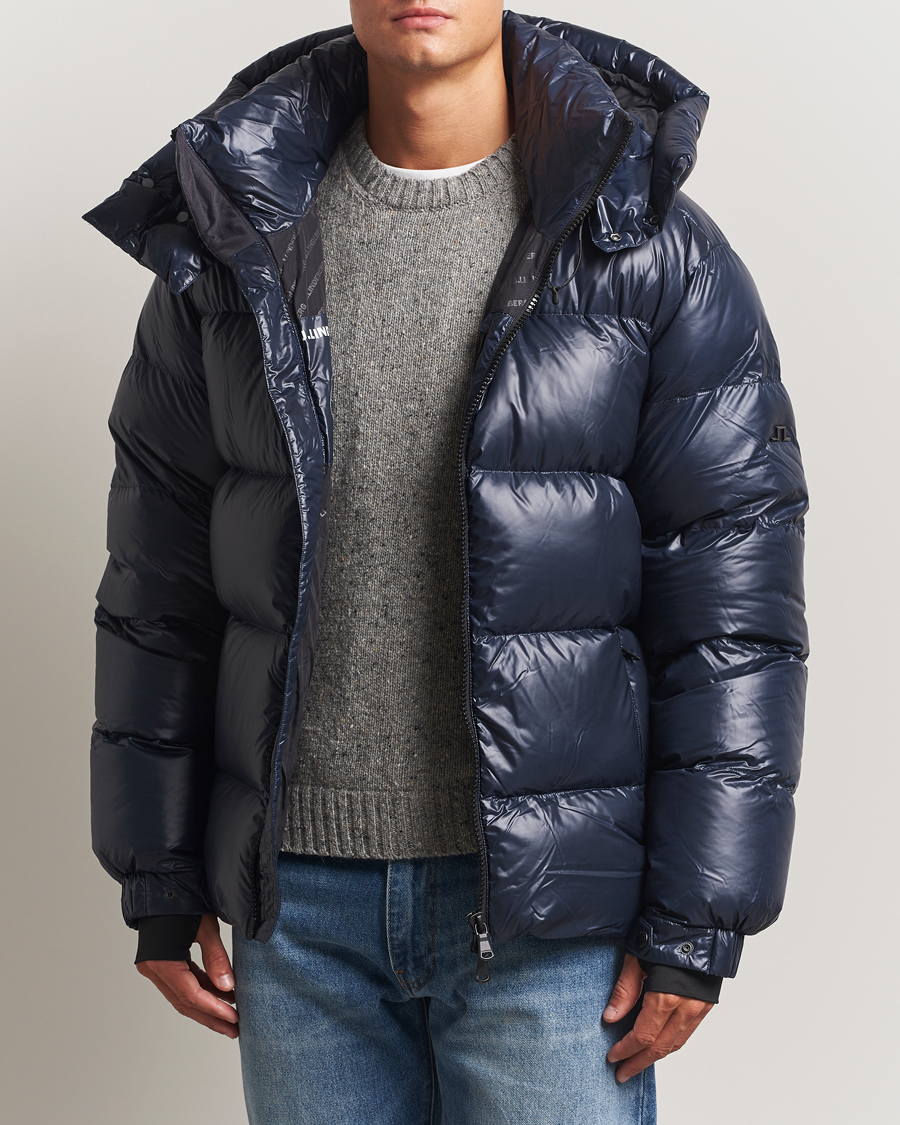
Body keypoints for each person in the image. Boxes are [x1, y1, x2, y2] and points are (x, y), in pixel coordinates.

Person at [85, 3, 808, 1122]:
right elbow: (157, 578)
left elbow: (732, 603)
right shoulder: (235, 236)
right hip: (298, 912)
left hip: (554, 915)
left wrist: (696, 918)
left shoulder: (647, 247)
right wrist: (160, 872)